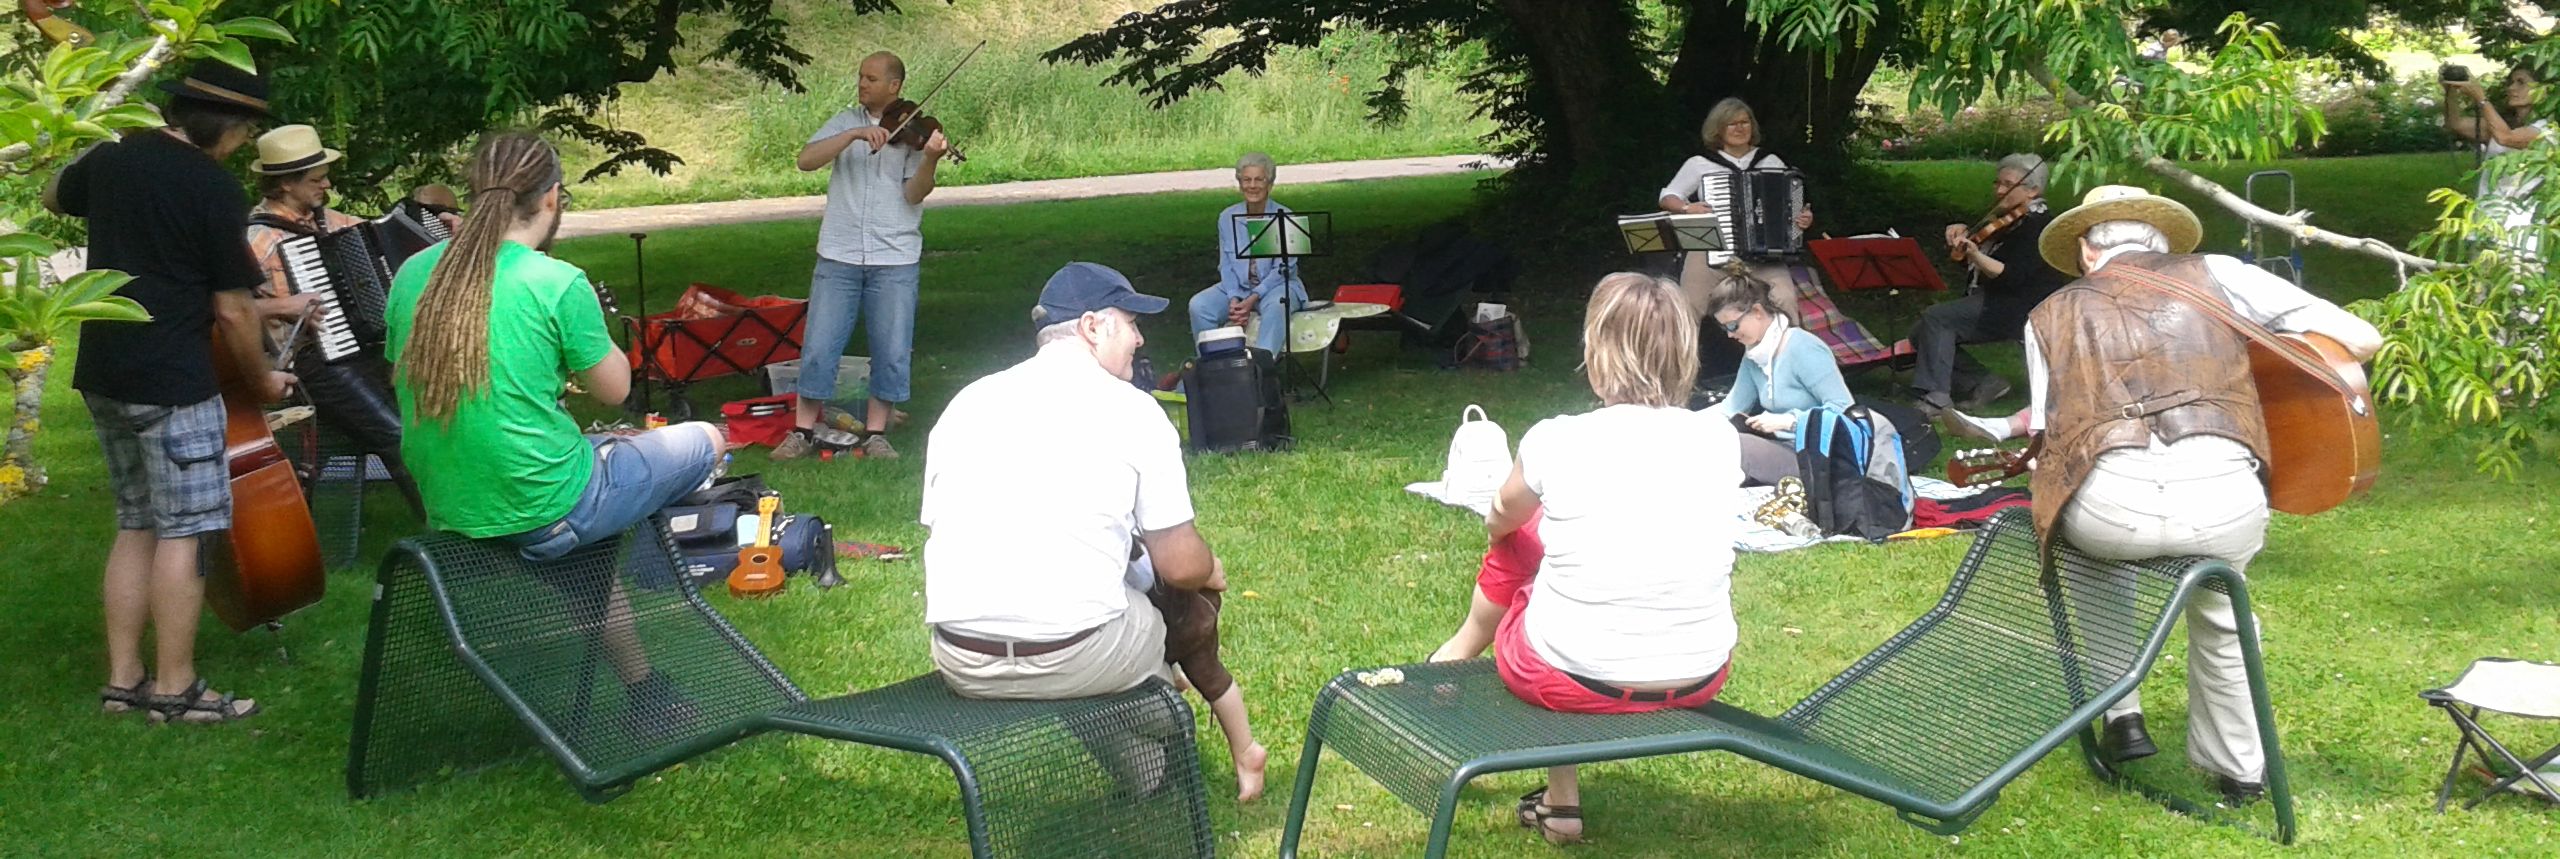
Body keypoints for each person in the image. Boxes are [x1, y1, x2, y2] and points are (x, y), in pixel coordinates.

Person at [1949, 186, 2381, 804]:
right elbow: (2359, 338)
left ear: (2087, 251)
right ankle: (2243, 773)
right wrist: (2253, 364)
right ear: (2160, 240)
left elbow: (2050, 434)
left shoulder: (2048, 313)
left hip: (2112, 514)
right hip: (2225, 502)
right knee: (2222, 611)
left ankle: (2121, 710)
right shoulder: (2223, 274)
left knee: (2088, 555)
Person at [386, 132, 727, 703]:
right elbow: (617, 389)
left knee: (590, 516)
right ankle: (670, 560)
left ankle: (645, 687)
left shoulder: (414, 272)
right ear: (552, 198)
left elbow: (405, 372)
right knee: (710, 439)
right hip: (545, 505)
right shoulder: (555, 281)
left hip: (449, 503)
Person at [921, 262, 1258, 797]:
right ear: (1093, 326)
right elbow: (1180, 567)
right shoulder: (1133, 411)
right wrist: (1210, 567)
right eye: (1130, 322)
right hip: (1076, 656)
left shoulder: (967, 402)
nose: (1141, 338)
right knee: (1163, 611)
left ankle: (1144, 771)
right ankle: (1163, 719)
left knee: (1084, 609)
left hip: (962, 659)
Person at [1431, 272, 1743, 845]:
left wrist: (1510, 519)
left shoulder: (1557, 438)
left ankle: (1455, 657)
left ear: (1596, 349)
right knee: (1566, 576)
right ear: (1684, 351)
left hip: (1568, 678)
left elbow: (1499, 518)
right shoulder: (1719, 436)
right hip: (1700, 672)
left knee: (1522, 544)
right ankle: (1558, 804)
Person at [42, 61, 294, 724]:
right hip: (173, 380)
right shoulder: (211, 185)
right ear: (234, 130)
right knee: (186, 532)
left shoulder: (115, 156)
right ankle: (176, 688)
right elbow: (236, 310)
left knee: (136, 521)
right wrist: (264, 380)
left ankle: (124, 679)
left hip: (103, 367)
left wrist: (97, 137)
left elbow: (49, 196)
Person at [241, 124, 424, 515]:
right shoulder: (256, 241)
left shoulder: (331, 223)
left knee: (432, 421)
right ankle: (448, 532)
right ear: (286, 184)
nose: (326, 186)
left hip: (366, 352)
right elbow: (221, 311)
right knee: (399, 436)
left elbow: (382, 240)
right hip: (312, 365)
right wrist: (281, 307)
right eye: (317, 179)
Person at [777, 50, 951, 461]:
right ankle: (803, 430)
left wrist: (929, 158)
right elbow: (806, 160)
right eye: (860, 77)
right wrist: (852, 137)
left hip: (895, 254)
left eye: (871, 79)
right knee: (819, 344)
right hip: (839, 252)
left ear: (895, 86)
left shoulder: (915, 129)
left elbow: (914, 193)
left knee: (891, 347)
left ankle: (875, 433)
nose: (862, 84)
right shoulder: (846, 120)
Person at [1908, 153, 2068, 418]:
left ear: (2033, 190)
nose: (1999, 190)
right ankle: (1983, 382)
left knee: (1936, 318)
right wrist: (1963, 241)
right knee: (1920, 331)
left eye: (2008, 184)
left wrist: (1976, 255)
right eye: (1997, 183)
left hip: (2022, 306)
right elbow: (1976, 268)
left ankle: (1936, 399)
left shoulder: (2039, 225)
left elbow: (2011, 276)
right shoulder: (2009, 220)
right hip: (1998, 298)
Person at [1655, 98, 1818, 321]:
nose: (1740, 128)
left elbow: (1791, 208)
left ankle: (1787, 355)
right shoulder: (1699, 163)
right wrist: (1685, 208)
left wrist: (1802, 219)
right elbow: (1667, 197)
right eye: (1732, 124)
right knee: (1688, 305)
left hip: (1763, 255)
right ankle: (1681, 355)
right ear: (1718, 130)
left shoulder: (1770, 161)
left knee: (1785, 300)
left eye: (1745, 122)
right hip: (1711, 249)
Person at [1701, 272, 1852, 486]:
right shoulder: (1753, 354)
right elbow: (1731, 407)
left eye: (1732, 326)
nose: (1729, 335)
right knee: (1708, 441)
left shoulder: (1804, 347)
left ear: (1757, 311)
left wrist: (1788, 421)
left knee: (1735, 446)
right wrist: (1685, 422)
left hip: (1818, 457)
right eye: (1724, 328)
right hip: (1782, 448)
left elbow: (1844, 408)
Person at [1187, 152, 1307, 355]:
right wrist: (1234, 298)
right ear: (1240, 183)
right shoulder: (1227, 217)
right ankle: (1212, 368)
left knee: (1278, 306)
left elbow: (1284, 269)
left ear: (1269, 183)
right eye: (1246, 180)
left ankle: (1260, 370)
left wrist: (1253, 298)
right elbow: (1225, 264)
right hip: (1237, 288)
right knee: (1199, 305)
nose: (1252, 185)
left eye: (1259, 179)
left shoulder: (1284, 216)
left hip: (1276, 287)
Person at [2443, 64, 2546, 257]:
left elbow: (2506, 138)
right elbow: (2455, 123)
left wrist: (2480, 98)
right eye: (2511, 82)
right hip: (2484, 226)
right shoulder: (2503, 125)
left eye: (2521, 83)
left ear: (2544, 90)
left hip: (2520, 235)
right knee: (2478, 286)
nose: (2511, 88)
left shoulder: (2547, 130)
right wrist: (2451, 91)